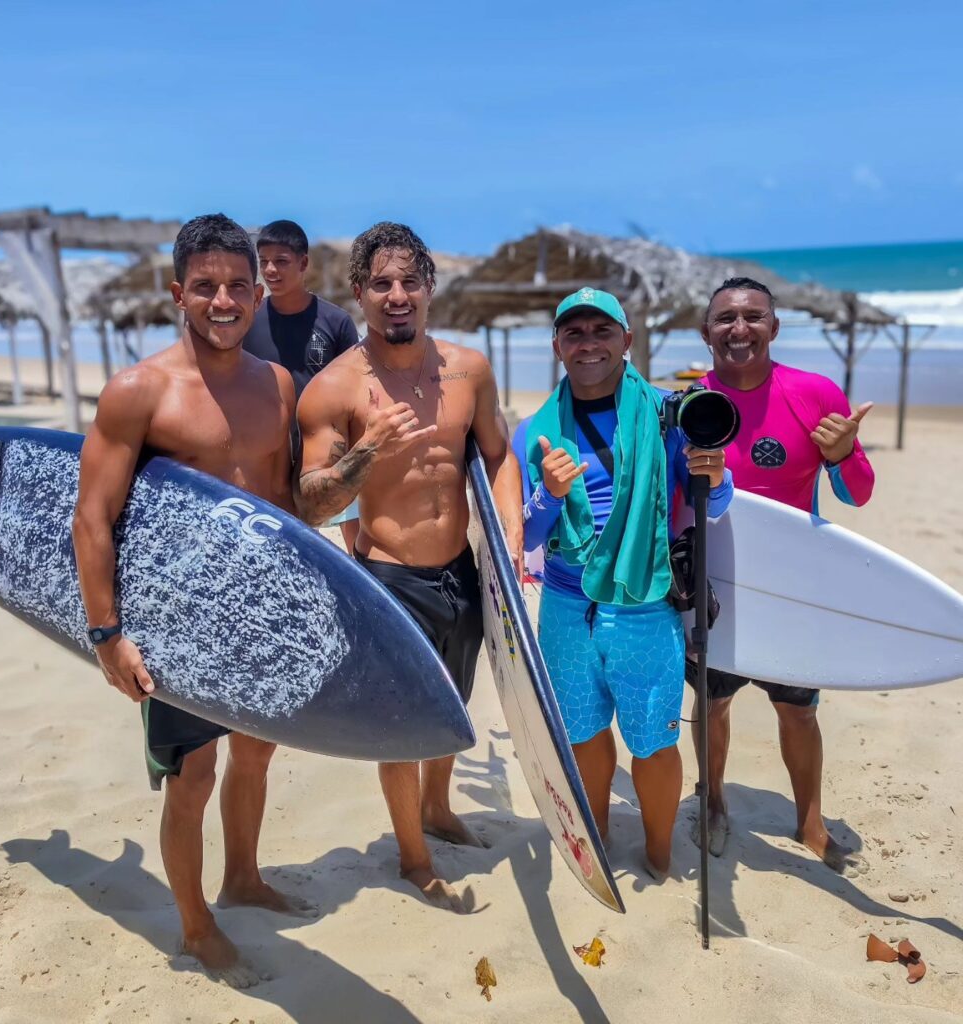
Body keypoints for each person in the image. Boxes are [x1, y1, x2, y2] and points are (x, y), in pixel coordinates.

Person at [72, 214, 313, 989]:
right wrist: (108, 634)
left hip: (258, 611)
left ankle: (242, 876)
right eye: (205, 286)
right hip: (176, 620)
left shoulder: (277, 386)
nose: (223, 301)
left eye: (239, 286)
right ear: (178, 292)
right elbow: (92, 517)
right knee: (193, 776)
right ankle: (195, 925)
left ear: (259, 293)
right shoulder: (139, 391)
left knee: (257, 752)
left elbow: (282, 506)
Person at [295, 221, 523, 912]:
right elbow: (310, 502)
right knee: (401, 724)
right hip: (388, 578)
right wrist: (367, 452)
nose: (397, 295)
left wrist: (509, 535)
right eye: (381, 284)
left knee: (452, 705)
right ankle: (413, 857)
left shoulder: (469, 370)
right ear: (359, 293)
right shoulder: (331, 391)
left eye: (409, 281)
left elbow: (497, 455)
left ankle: (439, 808)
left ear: (429, 288)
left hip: (460, 568)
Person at [514, 287, 732, 880]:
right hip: (565, 603)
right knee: (583, 733)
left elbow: (718, 498)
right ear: (558, 346)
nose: (588, 344)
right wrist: (548, 493)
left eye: (601, 331)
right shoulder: (533, 431)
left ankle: (659, 853)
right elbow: (526, 533)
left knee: (653, 742)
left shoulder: (670, 412)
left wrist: (713, 471)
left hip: (644, 606)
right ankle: (599, 841)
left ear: (627, 341)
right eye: (574, 333)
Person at [691, 276, 875, 875]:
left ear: (774, 327)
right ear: (706, 331)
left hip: (794, 588)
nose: (738, 328)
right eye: (725, 318)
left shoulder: (814, 393)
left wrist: (843, 454)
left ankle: (810, 820)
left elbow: (858, 493)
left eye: (751, 317)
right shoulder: (690, 403)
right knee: (713, 706)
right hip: (716, 582)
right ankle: (713, 803)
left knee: (799, 710)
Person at [243, 218, 361, 552]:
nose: (270, 270)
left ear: (303, 263)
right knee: (287, 544)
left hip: (328, 449)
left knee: (352, 544)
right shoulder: (248, 321)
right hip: (270, 450)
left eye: (281, 261)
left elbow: (356, 387)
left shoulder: (335, 322)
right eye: (263, 261)